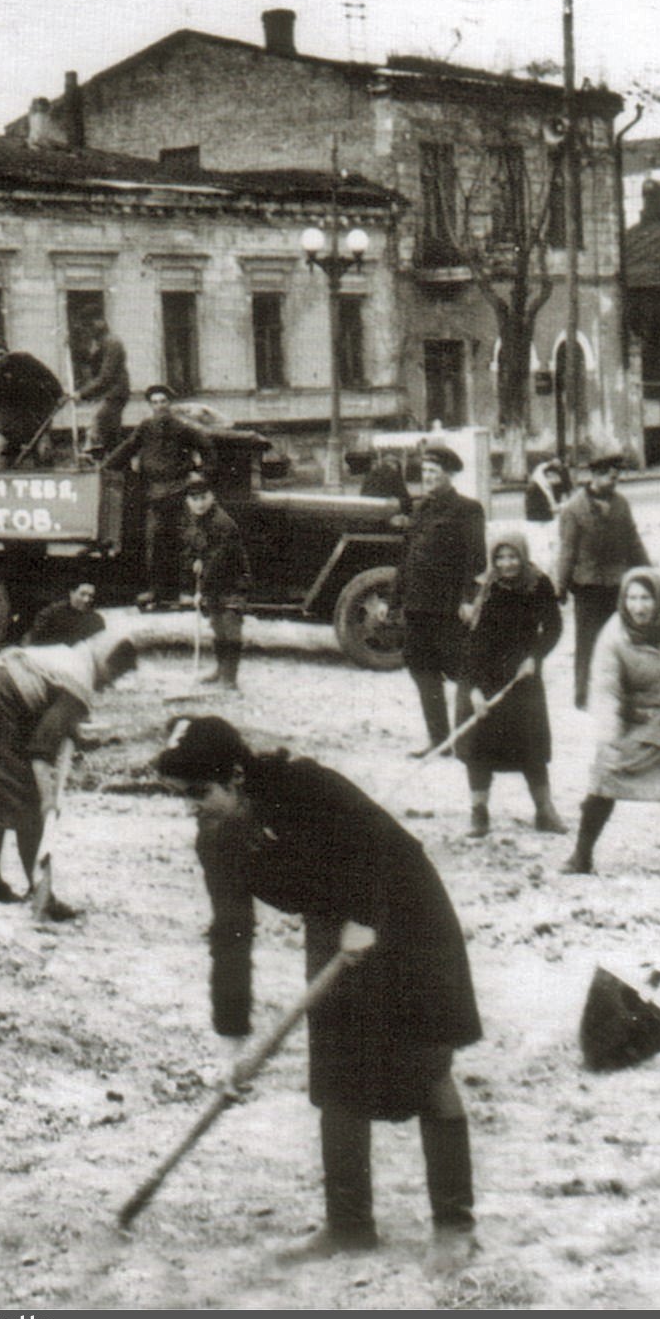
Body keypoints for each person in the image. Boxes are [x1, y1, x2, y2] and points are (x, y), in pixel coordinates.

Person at [153, 716, 482, 1274]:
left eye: (198, 793)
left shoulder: (305, 786)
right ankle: (349, 1226)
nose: (191, 807)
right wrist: (232, 1042)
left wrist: (368, 917)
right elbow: (231, 935)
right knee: (336, 1069)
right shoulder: (218, 839)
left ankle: (455, 1225)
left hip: (405, 914)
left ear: (234, 776)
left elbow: (390, 853)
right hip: (334, 928)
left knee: (426, 1067)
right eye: (180, 797)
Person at [0, 632, 139, 916]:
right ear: (106, 664)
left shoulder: (67, 653)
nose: (110, 685)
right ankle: (42, 896)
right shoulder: (78, 682)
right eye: (114, 676)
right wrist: (47, 800)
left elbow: (42, 706)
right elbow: (41, 750)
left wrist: (75, 733)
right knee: (28, 805)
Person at [562, 568, 660, 881]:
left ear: (658, 598)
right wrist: (612, 739)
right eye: (633, 598)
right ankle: (581, 855)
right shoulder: (613, 636)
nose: (639, 607)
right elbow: (606, 691)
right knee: (603, 782)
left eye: (646, 598)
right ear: (623, 600)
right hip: (634, 721)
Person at [456, 533, 566, 838]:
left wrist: (536, 656)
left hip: (522, 677)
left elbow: (554, 627)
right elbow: (468, 641)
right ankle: (479, 813)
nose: (507, 564)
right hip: (481, 676)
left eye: (513, 556)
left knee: (532, 747)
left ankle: (544, 811)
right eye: (501, 557)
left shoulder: (538, 584)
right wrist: (474, 690)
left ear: (523, 556)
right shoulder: (482, 588)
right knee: (479, 748)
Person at [389, 444, 487, 752]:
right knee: (422, 671)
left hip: (448, 608)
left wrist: (468, 600)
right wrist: (394, 602)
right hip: (418, 607)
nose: (428, 477)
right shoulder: (420, 509)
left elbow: (477, 560)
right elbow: (406, 560)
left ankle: (476, 737)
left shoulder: (467, 509)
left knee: (463, 671)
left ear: (448, 474)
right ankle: (440, 740)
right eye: (425, 472)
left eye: (434, 472)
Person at [554, 453, 650, 710]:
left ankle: (620, 690)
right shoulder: (574, 508)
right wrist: (560, 587)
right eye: (610, 475)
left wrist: (647, 573)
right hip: (588, 586)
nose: (615, 480)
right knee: (587, 642)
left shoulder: (621, 504)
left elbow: (633, 542)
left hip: (619, 584)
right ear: (595, 476)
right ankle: (583, 693)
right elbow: (567, 551)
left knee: (621, 638)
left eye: (617, 476)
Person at [104, 384, 210, 607]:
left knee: (186, 542)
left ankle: (186, 591)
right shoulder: (145, 427)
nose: (159, 406)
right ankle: (155, 591)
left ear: (169, 404)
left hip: (180, 493)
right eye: (155, 402)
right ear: (150, 406)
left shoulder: (182, 428)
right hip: (155, 494)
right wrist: (106, 467)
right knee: (154, 544)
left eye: (163, 401)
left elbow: (206, 446)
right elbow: (128, 447)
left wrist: (201, 475)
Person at [181, 472, 252, 690]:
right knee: (218, 627)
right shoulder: (193, 521)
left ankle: (229, 680)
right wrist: (193, 560)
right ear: (188, 501)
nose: (200, 503)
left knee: (230, 629)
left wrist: (201, 589)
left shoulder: (223, 523)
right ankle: (220, 671)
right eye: (195, 499)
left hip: (232, 582)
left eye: (204, 498)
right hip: (213, 584)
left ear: (212, 497)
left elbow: (218, 560)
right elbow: (189, 547)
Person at [0, 336, 63, 467]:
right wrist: (19, 439)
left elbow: (48, 377)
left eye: (1, 354)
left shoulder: (25, 361)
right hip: (10, 426)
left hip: (37, 419)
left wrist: (58, 395)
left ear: (7, 353)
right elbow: (6, 413)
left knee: (44, 453)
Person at [74, 308, 130, 459]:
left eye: (89, 326)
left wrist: (82, 393)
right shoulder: (99, 343)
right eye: (85, 327)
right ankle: (117, 472)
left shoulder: (112, 343)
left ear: (100, 322)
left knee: (99, 426)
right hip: (106, 394)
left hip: (114, 393)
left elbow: (106, 376)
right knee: (110, 437)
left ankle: (104, 466)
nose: (88, 331)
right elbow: (90, 362)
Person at [25, 582, 106, 646]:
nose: (86, 600)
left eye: (91, 596)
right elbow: (35, 640)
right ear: (72, 593)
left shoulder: (96, 620)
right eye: (82, 594)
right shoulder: (51, 613)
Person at [524, 459, 566, 523]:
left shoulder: (544, 484)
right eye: (556, 477)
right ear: (550, 474)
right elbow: (543, 508)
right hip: (539, 522)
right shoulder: (537, 488)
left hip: (541, 520)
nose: (557, 481)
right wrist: (558, 507)